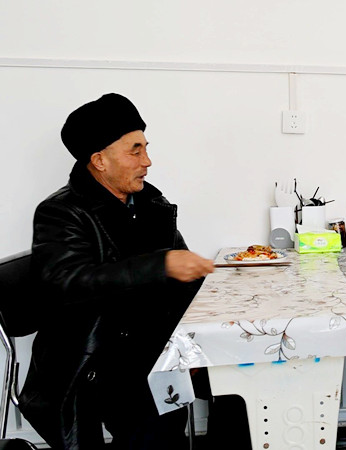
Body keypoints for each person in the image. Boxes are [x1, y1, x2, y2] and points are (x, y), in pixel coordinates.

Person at [19, 93, 215, 449]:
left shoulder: (150, 204)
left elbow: (183, 278)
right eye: (134, 151)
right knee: (153, 427)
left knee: (234, 375)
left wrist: (199, 333)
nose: (147, 161)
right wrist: (161, 265)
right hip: (91, 361)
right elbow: (67, 284)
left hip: (148, 351)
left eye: (146, 149)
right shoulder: (60, 212)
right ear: (99, 161)